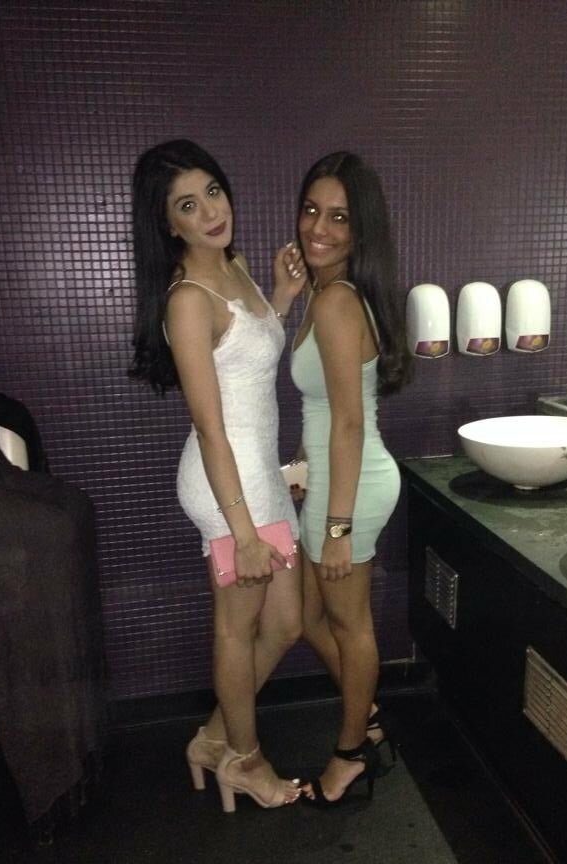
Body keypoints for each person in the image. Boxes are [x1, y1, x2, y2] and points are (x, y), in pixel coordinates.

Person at [129, 139, 306, 812]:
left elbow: (247, 363)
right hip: (226, 486)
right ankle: (246, 761)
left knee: (285, 623)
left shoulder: (234, 266)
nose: (210, 211)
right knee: (237, 628)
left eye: (212, 191)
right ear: (167, 223)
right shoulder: (187, 300)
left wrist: (281, 299)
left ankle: (211, 739)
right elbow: (210, 428)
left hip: (259, 474)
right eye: (187, 205)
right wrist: (243, 533)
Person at [290, 151, 412, 806]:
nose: (320, 227)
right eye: (312, 210)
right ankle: (368, 719)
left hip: (352, 489)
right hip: (335, 481)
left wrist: (338, 526)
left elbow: (348, 423)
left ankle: (349, 757)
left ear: (360, 229)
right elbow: (325, 413)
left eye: (339, 217)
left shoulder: (338, 301)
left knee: (348, 625)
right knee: (309, 617)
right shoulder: (323, 293)